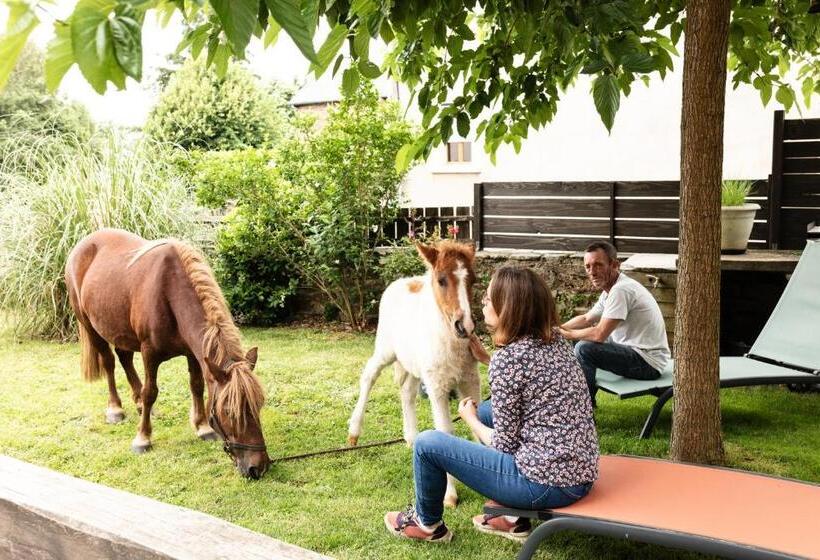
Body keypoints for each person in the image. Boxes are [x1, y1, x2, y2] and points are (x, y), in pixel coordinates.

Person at [384, 266, 599, 543]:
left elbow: (503, 447)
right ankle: (512, 518)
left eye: (488, 298)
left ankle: (427, 524)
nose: (482, 302)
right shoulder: (555, 340)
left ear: (508, 307)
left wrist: (469, 418)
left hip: (543, 486)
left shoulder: (508, 361)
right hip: (580, 476)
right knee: (488, 410)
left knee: (427, 443)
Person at [560, 241, 671, 407]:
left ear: (614, 265)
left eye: (598, 265)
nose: (592, 272)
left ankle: (583, 408)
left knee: (584, 349)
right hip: (632, 351)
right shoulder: (611, 289)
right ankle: (586, 401)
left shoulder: (621, 290)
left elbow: (599, 334)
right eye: (588, 266)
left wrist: (566, 334)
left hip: (647, 362)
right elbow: (586, 319)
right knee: (580, 340)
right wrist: (556, 328)